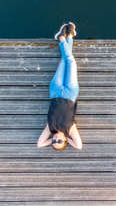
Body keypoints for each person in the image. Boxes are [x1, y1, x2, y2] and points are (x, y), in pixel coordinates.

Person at [37, 22, 83, 151]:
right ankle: (64, 38)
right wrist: (68, 140)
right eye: (59, 141)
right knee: (71, 62)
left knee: (64, 60)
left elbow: (39, 144)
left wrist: (51, 140)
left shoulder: (50, 128)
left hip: (55, 92)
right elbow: (79, 146)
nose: (56, 139)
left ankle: (69, 36)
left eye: (54, 141)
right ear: (64, 141)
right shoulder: (70, 129)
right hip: (70, 93)